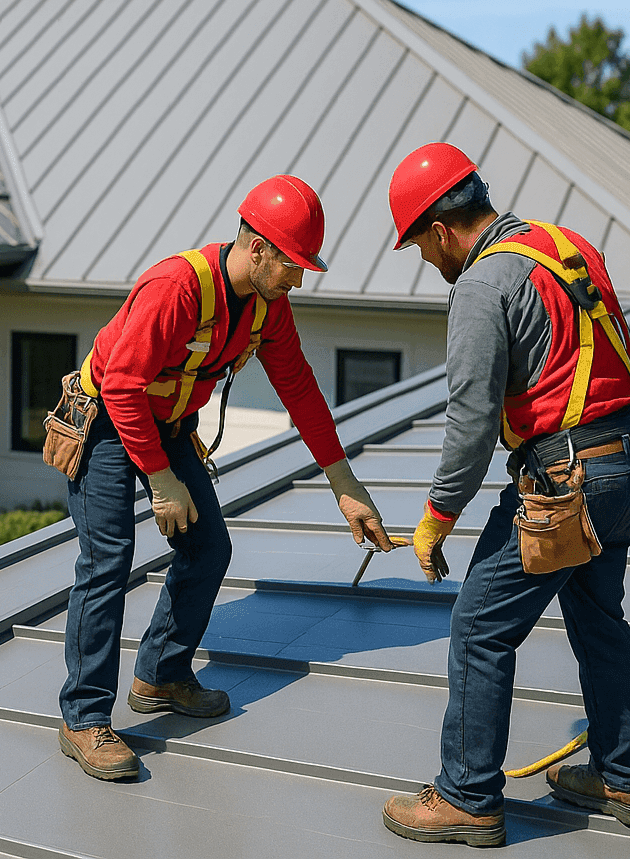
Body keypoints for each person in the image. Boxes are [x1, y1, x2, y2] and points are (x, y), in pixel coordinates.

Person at [57, 174, 391, 780]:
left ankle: (160, 674)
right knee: (108, 560)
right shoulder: (176, 288)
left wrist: (344, 483)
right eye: (293, 265)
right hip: (108, 417)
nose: (298, 279)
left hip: (168, 422)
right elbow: (125, 386)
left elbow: (299, 389)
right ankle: (83, 719)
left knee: (208, 547)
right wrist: (161, 479)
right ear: (258, 246)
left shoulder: (268, 305)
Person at [379, 143, 630, 847]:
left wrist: (436, 517)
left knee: (479, 626)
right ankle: (627, 778)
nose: (424, 259)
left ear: (441, 230)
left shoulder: (481, 284)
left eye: (419, 245)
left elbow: (471, 421)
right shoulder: (566, 246)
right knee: (599, 618)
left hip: (567, 480)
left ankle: (468, 797)